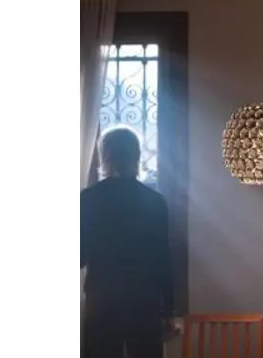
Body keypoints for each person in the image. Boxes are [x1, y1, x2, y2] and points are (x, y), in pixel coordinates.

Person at [81, 126, 178, 358]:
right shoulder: (155, 201)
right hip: (144, 300)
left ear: (105, 156)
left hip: (102, 299)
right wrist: (169, 311)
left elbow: (80, 254)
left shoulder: (89, 199)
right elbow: (163, 261)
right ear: (136, 156)